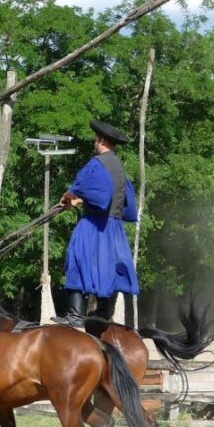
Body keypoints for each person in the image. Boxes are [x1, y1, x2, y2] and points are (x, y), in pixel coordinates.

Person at [51, 120, 139, 327]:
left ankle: (74, 314)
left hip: (94, 224)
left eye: (95, 139)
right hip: (113, 228)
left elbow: (85, 188)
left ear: (101, 141)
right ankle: (101, 313)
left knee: (77, 258)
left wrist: (67, 197)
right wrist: (81, 200)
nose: (94, 142)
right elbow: (112, 196)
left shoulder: (96, 163)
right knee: (107, 266)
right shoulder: (118, 167)